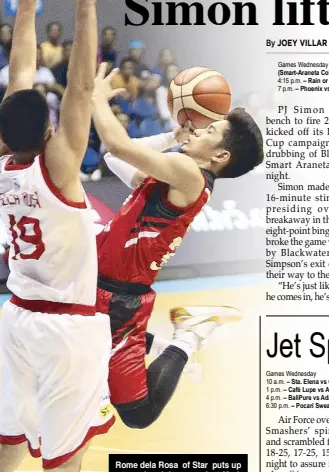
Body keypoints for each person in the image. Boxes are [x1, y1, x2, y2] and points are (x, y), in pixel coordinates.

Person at [0, 0, 115, 472]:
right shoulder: (57, 167)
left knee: (8, 450)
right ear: (51, 129)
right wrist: (86, 6)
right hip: (66, 330)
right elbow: (81, 88)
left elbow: (18, 79)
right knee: (64, 467)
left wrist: (29, 1)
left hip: (18, 319)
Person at [91, 63, 264, 429]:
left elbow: (118, 144)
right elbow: (113, 158)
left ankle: (187, 337)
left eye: (210, 129)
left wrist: (96, 100)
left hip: (120, 298)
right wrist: (173, 135)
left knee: (138, 414)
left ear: (220, 156)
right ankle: (156, 345)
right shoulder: (171, 177)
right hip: (97, 287)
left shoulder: (189, 176)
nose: (198, 128)